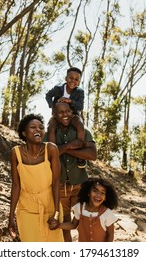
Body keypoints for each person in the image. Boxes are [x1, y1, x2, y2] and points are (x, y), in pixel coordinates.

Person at [44, 101, 97, 241]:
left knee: (85, 221)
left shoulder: (83, 132)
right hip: (59, 188)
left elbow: (92, 155)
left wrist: (63, 149)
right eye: (60, 112)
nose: (64, 115)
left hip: (80, 185)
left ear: (72, 113)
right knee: (64, 223)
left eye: (67, 111)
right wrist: (70, 146)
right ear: (54, 115)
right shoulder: (49, 134)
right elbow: (49, 156)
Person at [8, 113, 64, 242]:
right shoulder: (15, 153)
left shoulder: (51, 149)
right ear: (24, 133)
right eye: (33, 127)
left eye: (40, 127)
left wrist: (56, 214)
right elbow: (16, 186)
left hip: (50, 207)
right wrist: (11, 218)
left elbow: (56, 183)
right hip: (27, 209)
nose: (38, 129)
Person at [45, 67, 86, 168]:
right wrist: (52, 106)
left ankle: (80, 154)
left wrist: (71, 101)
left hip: (73, 115)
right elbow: (48, 95)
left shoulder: (80, 92)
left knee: (80, 125)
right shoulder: (58, 88)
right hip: (57, 115)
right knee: (51, 127)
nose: (73, 81)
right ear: (66, 78)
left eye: (76, 79)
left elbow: (80, 106)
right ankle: (53, 153)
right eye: (71, 78)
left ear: (79, 82)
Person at [58, 177, 118, 242]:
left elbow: (110, 235)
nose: (98, 195)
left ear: (106, 197)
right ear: (88, 192)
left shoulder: (107, 213)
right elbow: (73, 225)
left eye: (102, 193)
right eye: (95, 191)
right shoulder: (79, 208)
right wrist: (58, 225)